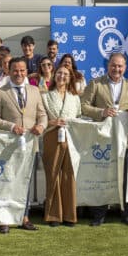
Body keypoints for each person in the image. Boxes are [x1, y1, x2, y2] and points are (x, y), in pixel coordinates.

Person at [80, 52, 128, 226]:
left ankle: (126, 213)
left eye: (120, 66)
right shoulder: (95, 83)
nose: (117, 69)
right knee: (102, 174)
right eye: (114, 65)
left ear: (125, 68)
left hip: (123, 138)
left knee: (125, 175)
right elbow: (83, 106)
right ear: (108, 66)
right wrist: (102, 112)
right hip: (102, 138)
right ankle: (99, 214)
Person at [0, 57, 47, 234]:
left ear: (26, 72)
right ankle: (4, 219)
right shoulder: (0, 92)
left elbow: (42, 114)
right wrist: (12, 127)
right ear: (9, 71)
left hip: (30, 146)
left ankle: (24, 217)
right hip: (8, 146)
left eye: (22, 70)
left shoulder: (35, 91)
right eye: (15, 70)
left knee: (26, 183)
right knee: (6, 182)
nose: (19, 73)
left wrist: (41, 126)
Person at [41, 64, 82, 227]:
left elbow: (79, 117)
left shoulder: (75, 97)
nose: (62, 76)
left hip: (70, 140)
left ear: (70, 78)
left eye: (65, 74)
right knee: (53, 175)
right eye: (59, 73)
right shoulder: (45, 96)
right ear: (54, 75)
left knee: (68, 176)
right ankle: (54, 215)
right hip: (52, 136)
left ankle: (69, 215)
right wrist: (53, 122)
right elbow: (41, 119)